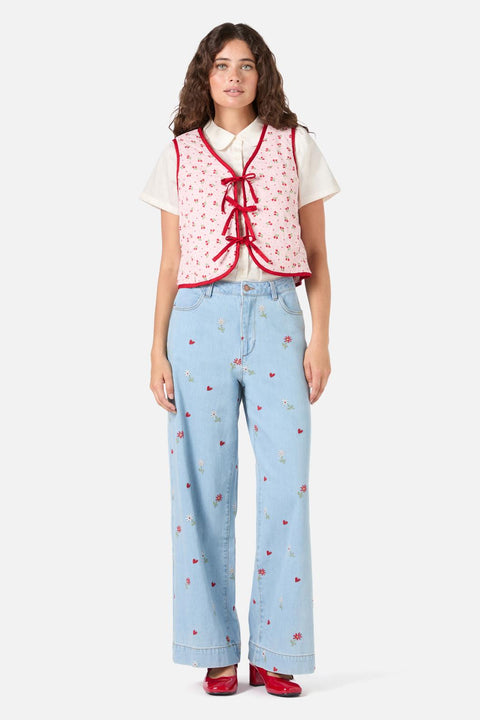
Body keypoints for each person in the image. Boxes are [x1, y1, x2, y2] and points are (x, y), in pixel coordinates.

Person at [139, 22, 340, 697]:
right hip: (198, 324)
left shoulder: (294, 144)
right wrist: (155, 349)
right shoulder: (179, 152)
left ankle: (277, 649)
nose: (234, 76)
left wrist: (320, 339)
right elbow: (169, 262)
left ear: (263, 75)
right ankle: (214, 648)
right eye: (222, 65)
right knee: (201, 488)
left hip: (278, 319)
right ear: (206, 75)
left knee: (288, 485)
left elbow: (318, 256)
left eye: (246, 65)